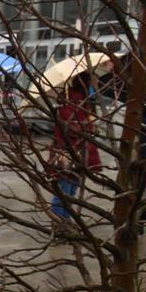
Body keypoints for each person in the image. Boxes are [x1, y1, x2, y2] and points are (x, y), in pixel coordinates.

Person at [48, 81, 100, 223]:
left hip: (75, 154)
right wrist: (89, 125)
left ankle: (64, 220)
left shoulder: (78, 104)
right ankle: (60, 222)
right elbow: (71, 130)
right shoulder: (71, 105)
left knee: (70, 190)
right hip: (69, 155)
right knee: (65, 191)